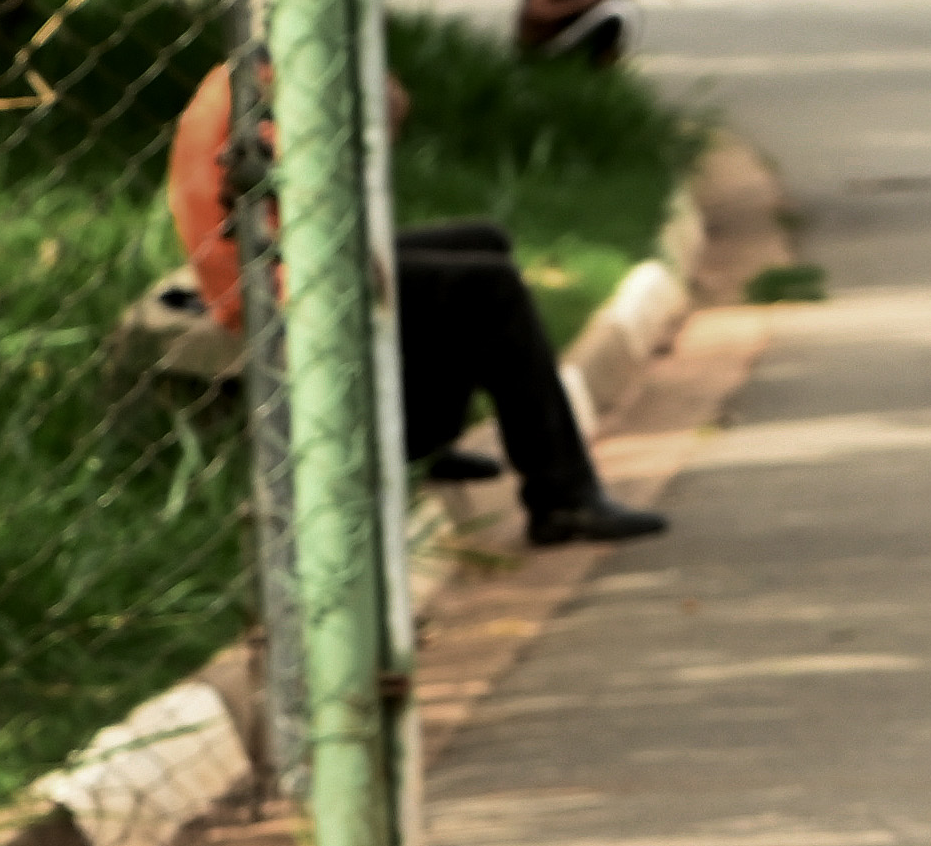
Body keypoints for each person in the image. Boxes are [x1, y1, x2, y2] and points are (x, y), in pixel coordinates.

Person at [164, 62, 667, 547]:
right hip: (278, 286)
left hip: (291, 261)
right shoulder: (267, 93)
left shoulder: (252, 75)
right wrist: (364, 120)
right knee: (488, 288)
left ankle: (420, 439)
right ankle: (562, 499)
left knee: (484, 242)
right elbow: (309, 199)